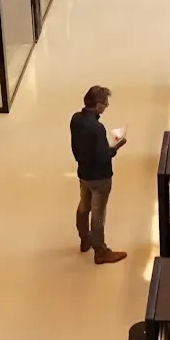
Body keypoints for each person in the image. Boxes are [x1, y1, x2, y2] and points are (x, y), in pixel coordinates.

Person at [71, 85, 127, 264]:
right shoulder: (97, 128)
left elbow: (78, 147)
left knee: (83, 206)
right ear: (97, 106)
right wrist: (116, 147)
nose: (106, 106)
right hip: (100, 178)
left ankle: (84, 238)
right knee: (98, 214)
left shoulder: (75, 119)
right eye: (105, 103)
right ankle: (101, 251)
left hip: (83, 173)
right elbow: (103, 156)